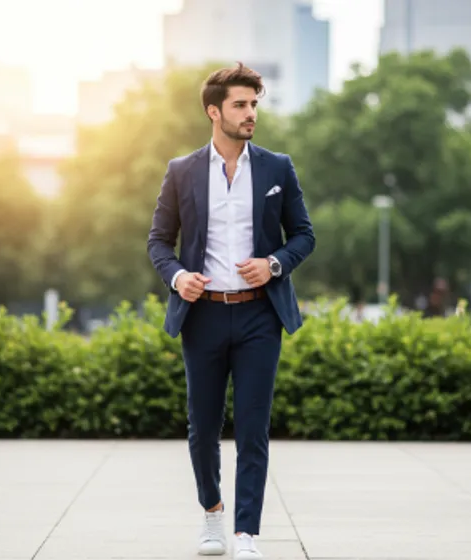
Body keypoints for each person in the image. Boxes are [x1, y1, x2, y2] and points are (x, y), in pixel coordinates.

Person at [147, 62, 315, 559]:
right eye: (241, 105)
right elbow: (159, 241)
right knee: (202, 427)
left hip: (260, 315)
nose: (250, 114)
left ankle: (246, 534)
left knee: (253, 427)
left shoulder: (276, 168)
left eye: (254, 104)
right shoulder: (181, 171)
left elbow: (303, 234)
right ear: (213, 111)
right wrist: (179, 278)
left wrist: (275, 265)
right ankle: (212, 516)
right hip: (203, 316)